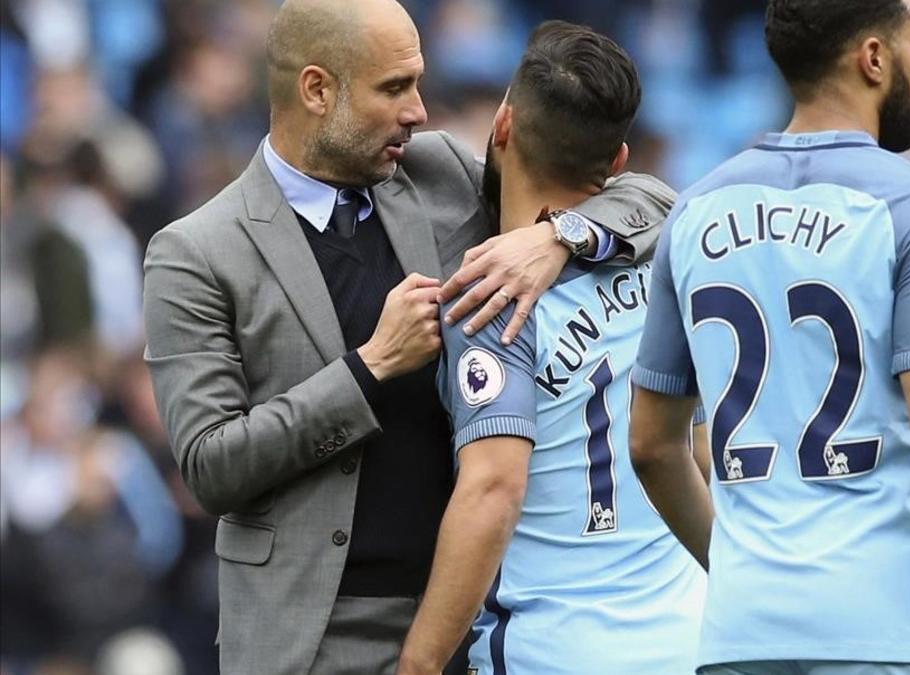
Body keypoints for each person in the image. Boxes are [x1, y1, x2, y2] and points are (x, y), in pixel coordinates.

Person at [141, 0, 672, 673]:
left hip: (461, 615)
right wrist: (368, 368)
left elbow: (648, 199)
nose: (418, 110)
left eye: (417, 83)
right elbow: (211, 466)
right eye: (394, 88)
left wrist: (555, 236)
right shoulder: (196, 252)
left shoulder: (439, 170)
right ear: (316, 89)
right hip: (310, 632)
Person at [628, 1, 910, 674]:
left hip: (744, 631)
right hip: (892, 628)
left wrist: (742, 570)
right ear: (874, 59)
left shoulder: (695, 209)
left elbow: (651, 444)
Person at [395, 21, 706, 675]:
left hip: (554, 650)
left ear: (501, 126)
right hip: (690, 640)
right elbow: (702, 452)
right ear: (617, 162)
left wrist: (419, 664)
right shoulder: (665, 267)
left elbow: (492, 490)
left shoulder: (490, 295)